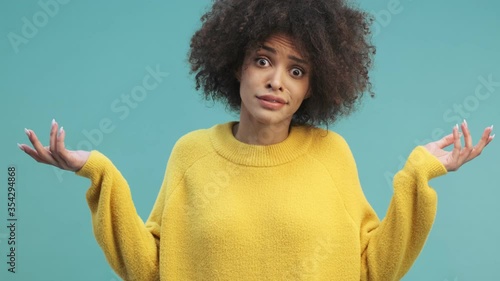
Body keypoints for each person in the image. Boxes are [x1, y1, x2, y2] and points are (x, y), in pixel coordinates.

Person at [18, 0, 494, 280]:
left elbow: (373, 268)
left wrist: (418, 173)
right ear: (236, 65)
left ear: (314, 86)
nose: (277, 82)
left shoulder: (331, 155)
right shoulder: (191, 154)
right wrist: (99, 172)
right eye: (264, 61)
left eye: (297, 70)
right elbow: (151, 270)